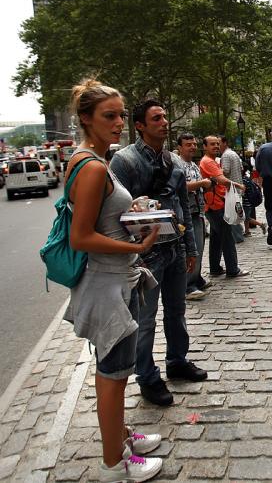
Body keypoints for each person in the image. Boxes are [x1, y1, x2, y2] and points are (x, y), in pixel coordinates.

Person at [64, 79, 162, 481]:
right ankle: (112, 463)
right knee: (114, 374)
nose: (119, 122)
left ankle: (119, 437)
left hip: (114, 280)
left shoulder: (95, 160)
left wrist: (132, 216)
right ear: (86, 118)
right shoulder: (90, 166)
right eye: (110, 116)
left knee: (116, 369)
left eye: (121, 114)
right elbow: (81, 236)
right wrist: (136, 248)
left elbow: (99, 221)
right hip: (109, 285)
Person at [110, 100, 207, 407]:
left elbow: (182, 210)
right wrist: (132, 253)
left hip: (175, 249)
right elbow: (115, 214)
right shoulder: (123, 162)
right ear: (139, 125)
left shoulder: (174, 163)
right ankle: (148, 377)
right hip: (145, 254)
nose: (164, 122)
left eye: (165, 116)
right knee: (146, 320)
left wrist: (190, 248)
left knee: (176, 311)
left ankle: (177, 361)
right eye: (156, 118)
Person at [200, 135, 250, 278]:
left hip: (214, 204)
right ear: (204, 147)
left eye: (217, 144)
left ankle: (215, 268)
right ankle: (232, 269)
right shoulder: (208, 162)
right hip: (217, 204)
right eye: (212, 144)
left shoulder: (210, 161)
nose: (215, 146)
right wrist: (238, 185)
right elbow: (221, 179)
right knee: (227, 238)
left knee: (216, 238)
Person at [176, 133, 213, 301]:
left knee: (200, 246)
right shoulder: (178, 165)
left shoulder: (194, 165)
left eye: (194, 144)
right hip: (187, 213)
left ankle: (196, 278)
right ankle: (187, 285)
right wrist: (202, 184)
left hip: (198, 211)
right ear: (180, 147)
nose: (192, 147)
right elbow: (181, 187)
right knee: (192, 249)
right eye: (188, 144)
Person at [220, 135, 246, 244]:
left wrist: (215, 172)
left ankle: (237, 236)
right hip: (238, 187)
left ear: (225, 143)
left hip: (231, 189)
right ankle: (239, 233)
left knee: (233, 213)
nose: (217, 145)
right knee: (237, 211)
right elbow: (241, 168)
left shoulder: (225, 155)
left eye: (218, 143)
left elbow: (225, 171)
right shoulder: (234, 153)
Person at [242, 162, 267, 236]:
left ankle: (261, 224)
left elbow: (243, 191)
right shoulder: (247, 178)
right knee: (246, 218)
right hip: (248, 202)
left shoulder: (244, 180)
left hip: (246, 202)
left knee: (246, 217)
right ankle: (247, 232)